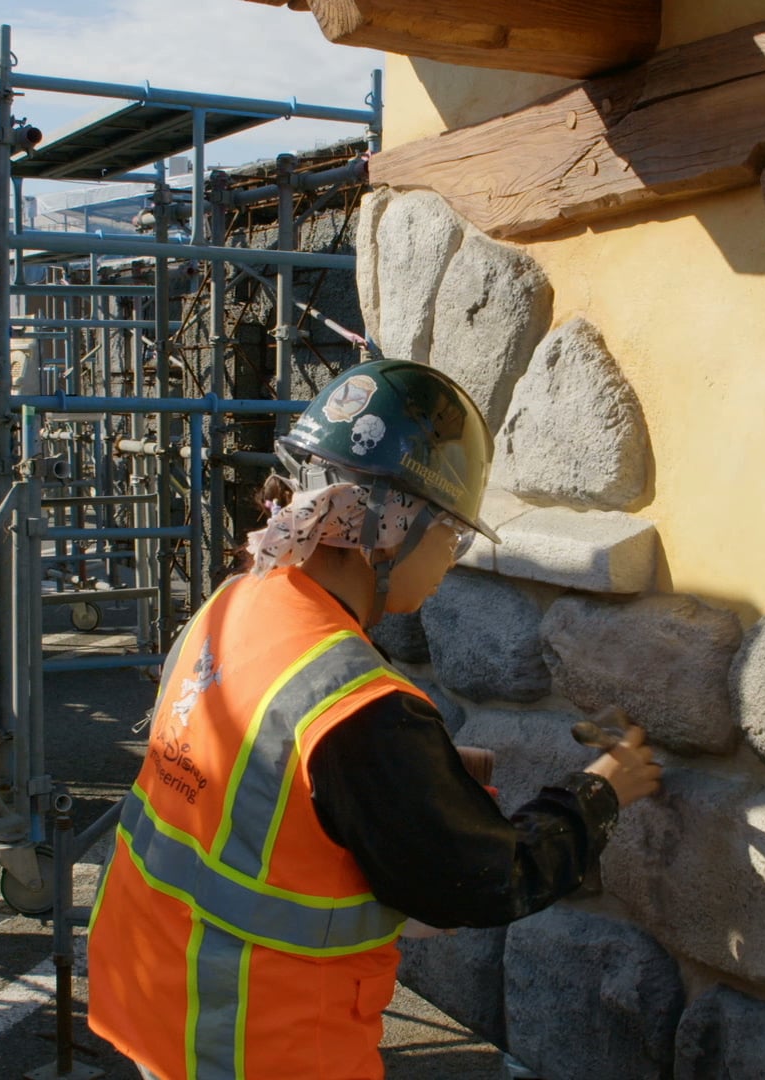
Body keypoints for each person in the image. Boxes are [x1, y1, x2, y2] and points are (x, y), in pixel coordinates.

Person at [85, 360, 663, 1080]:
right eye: (450, 534)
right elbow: (482, 881)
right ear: (388, 529)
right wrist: (602, 791)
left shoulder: (236, 603)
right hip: (257, 1040)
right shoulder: (362, 710)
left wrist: (425, 777)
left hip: (159, 991)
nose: (452, 561)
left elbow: (265, 793)